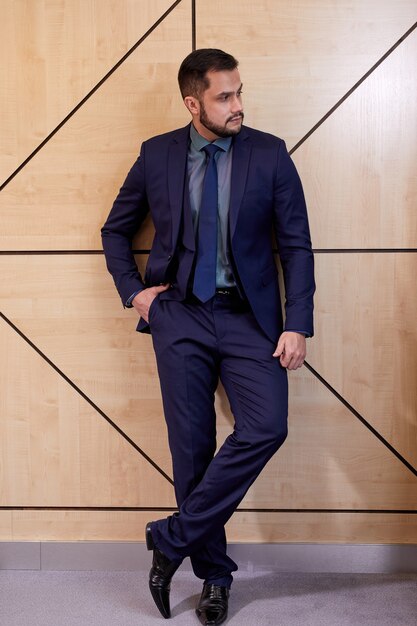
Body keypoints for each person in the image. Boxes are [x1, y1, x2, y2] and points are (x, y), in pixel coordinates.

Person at [101, 48, 315, 626]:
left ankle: (169, 539)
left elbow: (295, 244)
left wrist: (296, 322)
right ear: (193, 102)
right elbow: (116, 230)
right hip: (181, 315)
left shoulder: (269, 154)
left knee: (267, 426)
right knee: (190, 450)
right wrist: (135, 292)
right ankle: (214, 578)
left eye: (241, 92)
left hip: (251, 320)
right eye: (225, 96)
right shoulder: (157, 154)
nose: (238, 105)